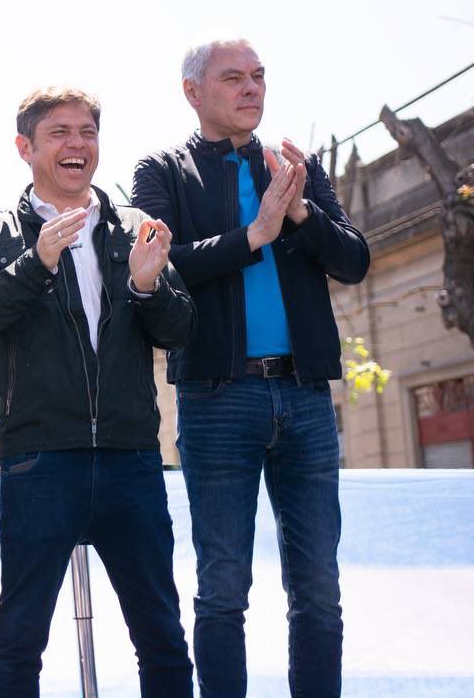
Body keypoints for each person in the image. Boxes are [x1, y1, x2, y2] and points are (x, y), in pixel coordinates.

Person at [131, 36, 370, 698]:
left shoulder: (296, 168)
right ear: (193, 92)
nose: (251, 89)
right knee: (223, 587)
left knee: (319, 585)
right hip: (217, 398)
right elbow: (161, 265)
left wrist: (299, 212)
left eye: (259, 77)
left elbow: (353, 260)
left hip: (305, 395)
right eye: (233, 77)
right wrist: (254, 236)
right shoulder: (161, 170)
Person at [0, 86, 196, 697]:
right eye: (59, 133)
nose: (76, 144)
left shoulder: (134, 226)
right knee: (20, 640)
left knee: (161, 636)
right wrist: (35, 262)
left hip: (131, 459)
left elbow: (182, 328)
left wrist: (146, 286)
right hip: (39, 462)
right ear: (25, 146)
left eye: (87, 131)